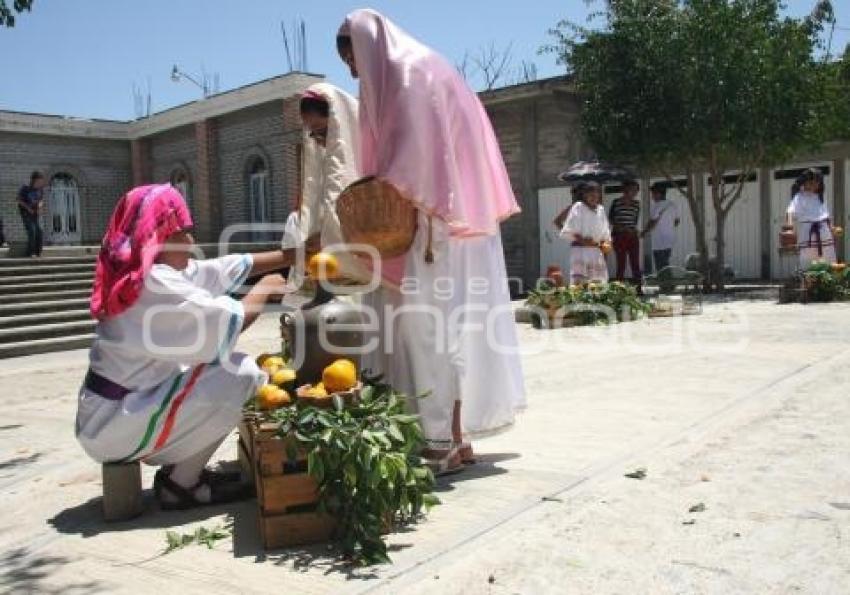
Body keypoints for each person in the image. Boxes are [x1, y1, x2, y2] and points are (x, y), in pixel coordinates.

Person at [337, 9, 526, 474]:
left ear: (367, 46)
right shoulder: (432, 65)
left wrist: (383, 190)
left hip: (432, 224)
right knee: (452, 333)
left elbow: (412, 160)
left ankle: (439, 444)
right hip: (459, 220)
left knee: (428, 337)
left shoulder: (406, 73)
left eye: (353, 60)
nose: (354, 71)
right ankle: (456, 441)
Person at [75, 184, 314, 510]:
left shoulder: (146, 271)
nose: (192, 243)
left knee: (213, 370)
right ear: (159, 236)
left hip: (112, 414)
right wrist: (267, 287)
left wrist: (294, 255)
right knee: (241, 373)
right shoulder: (153, 282)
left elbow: (221, 269)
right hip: (115, 423)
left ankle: (181, 469)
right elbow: (232, 320)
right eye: (184, 233)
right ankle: (182, 485)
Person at [292, 83, 369, 284]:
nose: (317, 140)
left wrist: (329, 238)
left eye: (322, 131)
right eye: (312, 134)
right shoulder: (328, 167)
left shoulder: (369, 163)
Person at [560, 182, 612, 284]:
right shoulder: (578, 207)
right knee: (580, 284)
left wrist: (606, 244)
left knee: (598, 283)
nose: (594, 198)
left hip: (596, 251)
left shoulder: (600, 209)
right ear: (584, 195)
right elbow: (569, 230)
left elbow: (605, 232)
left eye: (596, 195)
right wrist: (583, 241)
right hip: (580, 251)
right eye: (591, 195)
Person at [785, 168, 837, 269]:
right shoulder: (799, 196)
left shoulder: (820, 196)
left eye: (817, 183)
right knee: (807, 261)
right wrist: (789, 227)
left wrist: (832, 228)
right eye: (811, 182)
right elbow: (790, 211)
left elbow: (826, 215)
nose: (814, 185)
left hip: (824, 232)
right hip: (808, 232)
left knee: (828, 258)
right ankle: (809, 282)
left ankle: (827, 282)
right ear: (804, 182)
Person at [609, 179, 642, 287]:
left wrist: (633, 230)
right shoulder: (616, 202)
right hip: (619, 236)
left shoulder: (636, 204)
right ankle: (618, 289)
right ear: (626, 190)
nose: (635, 192)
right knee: (621, 264)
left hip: (632, 236)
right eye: (633, 190)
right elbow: (611, 219)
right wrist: (623, 228)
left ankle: (638, 288)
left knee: (635, 264)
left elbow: (634, 221)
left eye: (637, 190)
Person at [642, 182, 680, 273]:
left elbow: (652, 223)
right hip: (670, 240)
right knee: (665, 264)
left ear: (658, 193)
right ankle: (668, 285)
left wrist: (644, 232)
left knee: (661, 266)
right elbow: (677, 222)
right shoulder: (672, 205)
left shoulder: (657, 206)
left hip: (659, 241)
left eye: (653, 194)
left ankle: (665, 285)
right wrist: (668, 227)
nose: (652, 196)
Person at [17, 171, 45, 257]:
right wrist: (28, 209)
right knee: (32, 230)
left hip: (35, 214)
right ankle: (30, 253)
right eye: (39, 181)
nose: (40, 183)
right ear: (34, 180)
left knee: (39, 231)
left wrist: (40, 207)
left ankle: (38, 253)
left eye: (41, 181)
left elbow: (40, 200)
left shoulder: (40, 190)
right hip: (26, 213)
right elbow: (19, 200)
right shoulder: (25, 188)